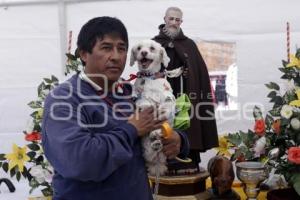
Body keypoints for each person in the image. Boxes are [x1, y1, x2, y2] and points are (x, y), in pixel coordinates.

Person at [42, 16, 189, 200]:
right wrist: (131, 129)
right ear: (84, 54)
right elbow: (79, 162)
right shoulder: (64, 98)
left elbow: (156, 131)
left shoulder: (132, 93)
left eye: (122, 49)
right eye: (106, 47)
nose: (116, 56)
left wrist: (178, 140)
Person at [153, 7, 218, 173]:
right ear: (165, 19)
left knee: (188, 121)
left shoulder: (189, 44)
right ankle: (163, 162)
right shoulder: (154, 43)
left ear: (181, 22)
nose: (174, 22)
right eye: (171, 19)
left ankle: (188, 159)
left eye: (177, 20)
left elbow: (198, 72)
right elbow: (147, 66)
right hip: (162, 93)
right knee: (163, 122)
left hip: (185, 93)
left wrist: (188, 73)